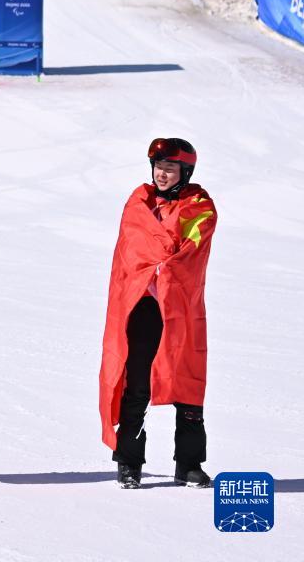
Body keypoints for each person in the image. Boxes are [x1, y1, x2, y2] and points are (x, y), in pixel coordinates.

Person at [98, 138, 217, 489]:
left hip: (180, 305)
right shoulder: (139, 202)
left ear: (185, 172)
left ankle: (189, 464)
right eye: (159, 167)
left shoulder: (200, 207)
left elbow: (192, 251)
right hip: (142, 304)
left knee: (187, 379)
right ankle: (129, 463)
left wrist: (163, 262)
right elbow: (132, 251)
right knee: (137, 381)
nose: (162, 174)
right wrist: (160, 256)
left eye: (170, 168)